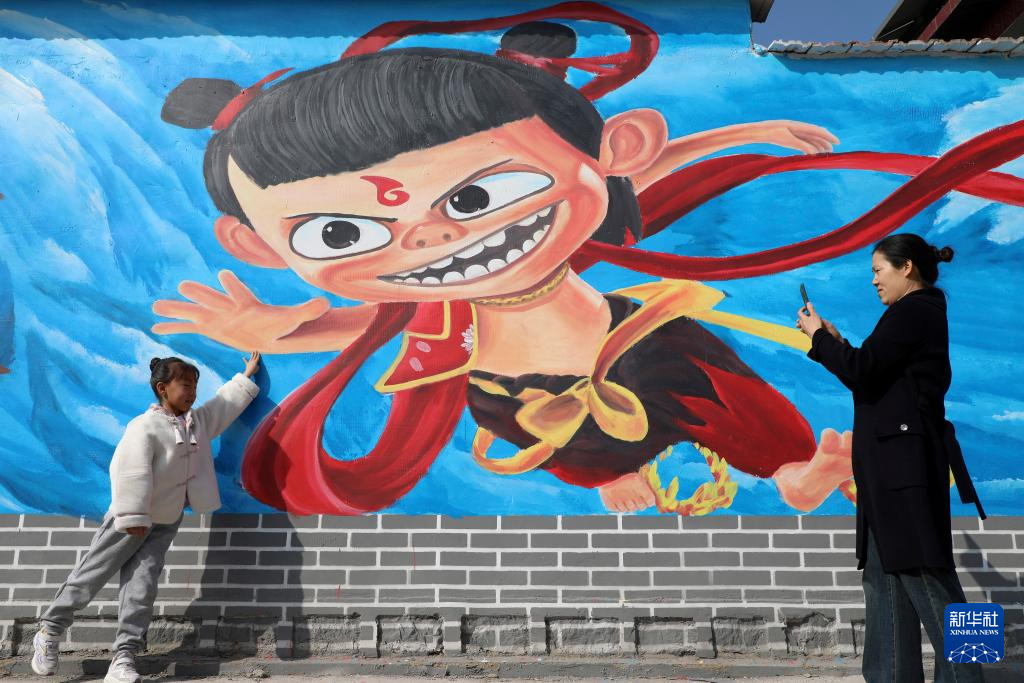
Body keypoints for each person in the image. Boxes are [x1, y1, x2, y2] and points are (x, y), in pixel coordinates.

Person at [797, 233, 985, 683]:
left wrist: (820, 338)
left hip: (905, 472)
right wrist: (834, 342)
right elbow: (872, 373)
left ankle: (971, 675)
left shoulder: (914, 311)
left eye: (878, 270)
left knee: (930, 576)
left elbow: (862, 369)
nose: (874, 281)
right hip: (890, 472)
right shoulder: (912, 314)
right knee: (883, 581)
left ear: (906, 268)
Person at [31, 352, 261, 683]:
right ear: (162, 388)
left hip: (165, 520)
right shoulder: (144, 426)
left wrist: (246, 377)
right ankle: (50, 631)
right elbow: (129, 471)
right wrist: (134, 516)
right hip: (130, 519)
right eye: (185, 385)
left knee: (142, 588)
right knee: (91, 575)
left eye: (194, 386)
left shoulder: (195, 422)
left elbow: (220, 408)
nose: (192, 392)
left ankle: (123, 658)